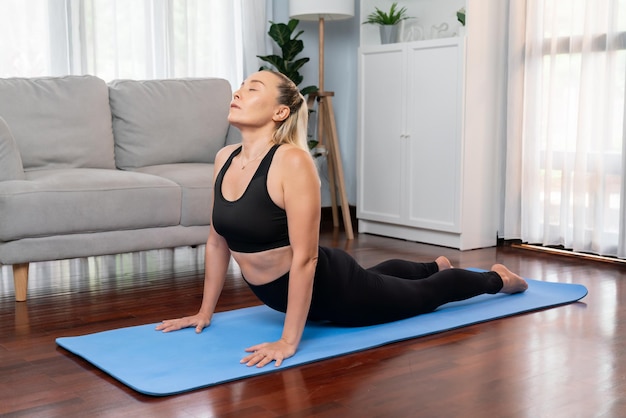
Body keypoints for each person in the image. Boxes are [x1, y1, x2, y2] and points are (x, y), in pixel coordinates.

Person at [156, 70, 528, 368]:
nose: (237, 93)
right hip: (287, 294)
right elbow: (217, 241)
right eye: (239, 86)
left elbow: (305, 258)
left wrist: (288, 341)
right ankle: (433, 264)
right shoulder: (225, 158)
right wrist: (204, 312)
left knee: (424, 296)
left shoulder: (293, 162)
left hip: (335, 292)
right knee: (378, 278)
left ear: (279, 112)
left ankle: (499, 280)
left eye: (252, 89)